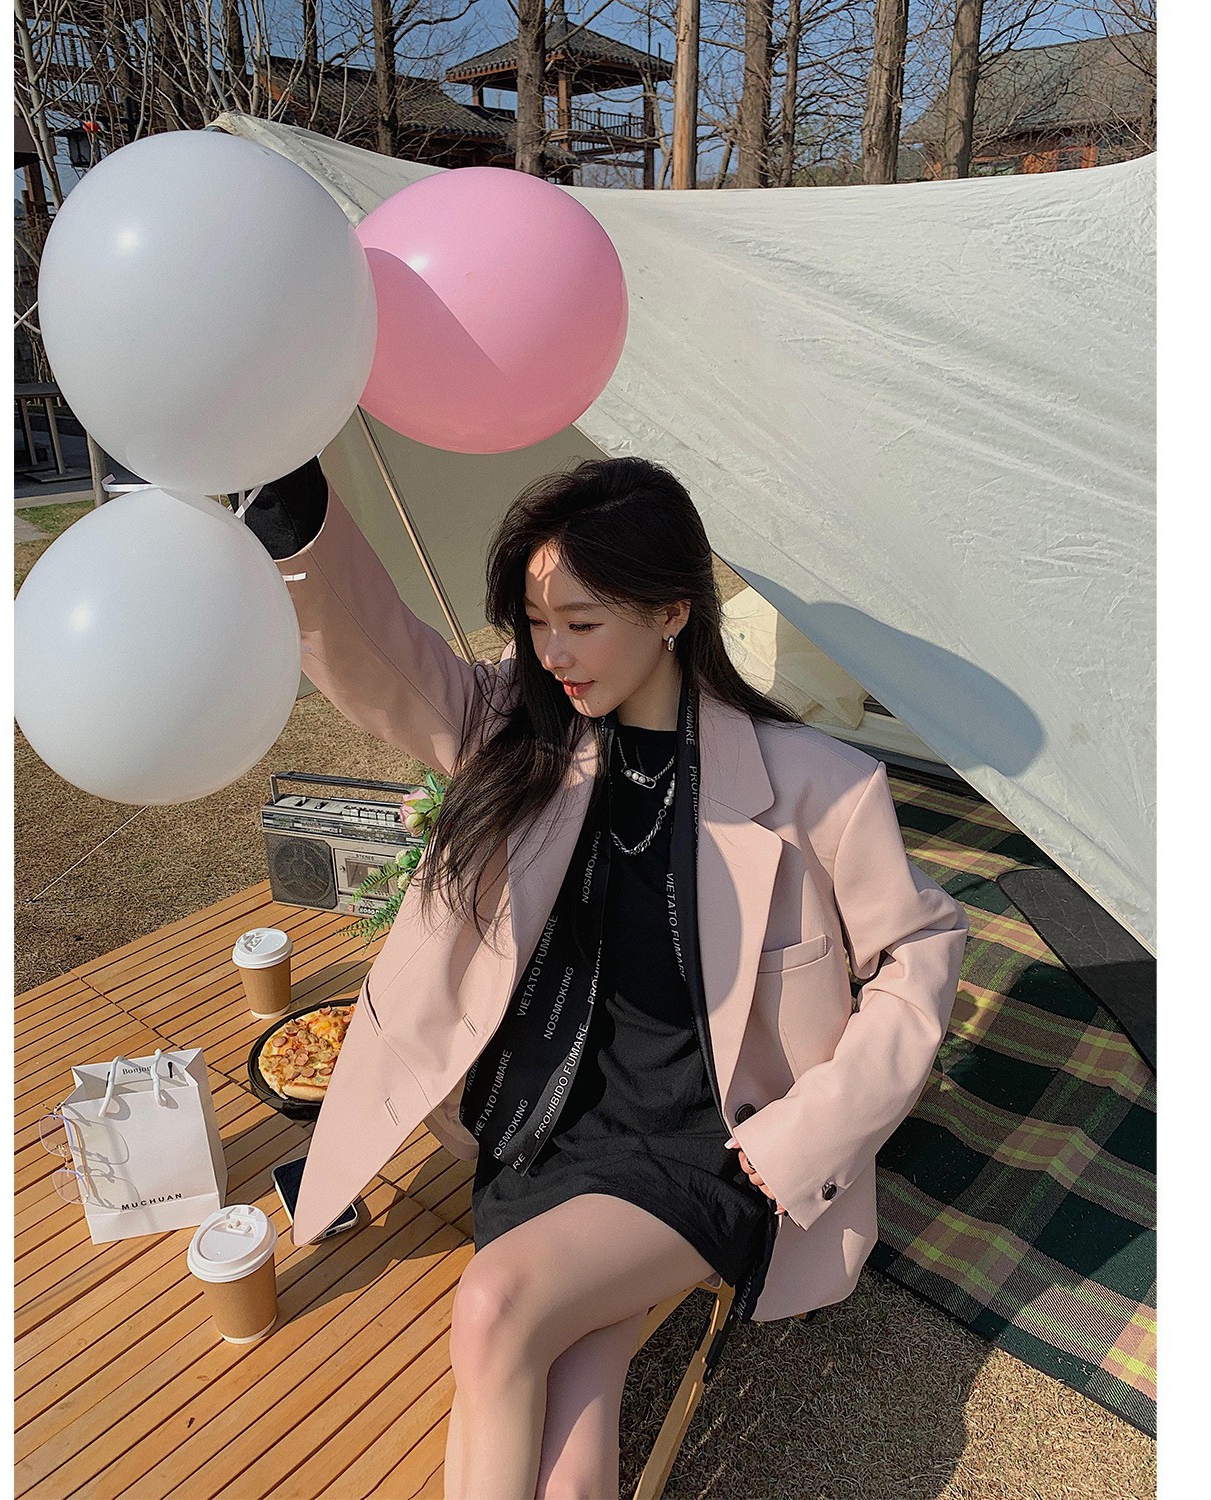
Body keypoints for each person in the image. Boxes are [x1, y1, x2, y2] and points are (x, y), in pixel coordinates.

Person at [244, 454, 968, 1500]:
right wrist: (285, 502)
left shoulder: (819, 783)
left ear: (672, 611)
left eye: (581, 623)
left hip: (714, 1144)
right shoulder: (523, 729)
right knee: (572, 1452)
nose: (552, 653)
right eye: (536, 623)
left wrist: (809, 1134)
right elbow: (380, 655)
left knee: (495, 1308)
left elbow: (923, 952)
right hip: (549, 1124)